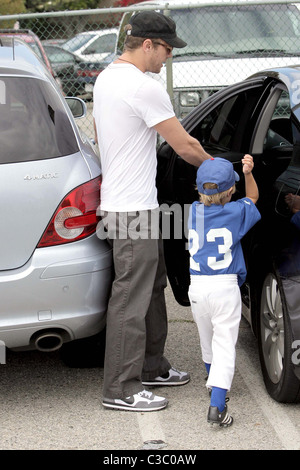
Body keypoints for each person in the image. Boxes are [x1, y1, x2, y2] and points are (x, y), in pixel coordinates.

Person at [93, 11, 211, 412]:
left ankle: (152, 365)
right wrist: (220, 172)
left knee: (152, 288)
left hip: (133, 204)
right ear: (146, 44)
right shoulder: (142, 87)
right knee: (130, 298)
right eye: (165, 49)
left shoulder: (107, 78)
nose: (168, 58)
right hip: (132, 212)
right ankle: (120, 388)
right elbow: (186, 147)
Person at [188, 155, 261, 426]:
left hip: (197, 287)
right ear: (231, 190)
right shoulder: (237, 211)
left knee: (207, 340)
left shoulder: (193, 211)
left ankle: (212, 383)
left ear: (198, 189)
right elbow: (253, 196)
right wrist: (249, 173)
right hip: (224, 287)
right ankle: (217, 406)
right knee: (225, 346)